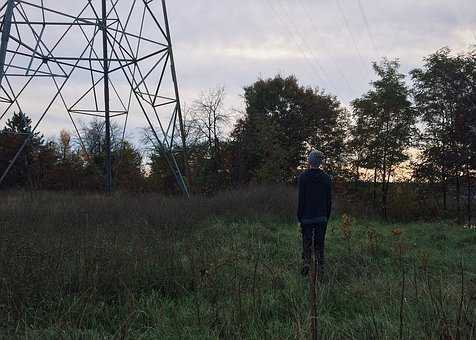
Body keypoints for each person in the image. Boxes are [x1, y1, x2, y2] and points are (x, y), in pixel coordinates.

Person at [297, 150, 332, 278]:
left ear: (309, 161)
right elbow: (329, 201)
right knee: (320, 243)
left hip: (306, 217)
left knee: (306, 242)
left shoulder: (303, 177)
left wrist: (299, 217)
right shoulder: (327, 178)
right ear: (320, 162)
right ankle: (320, 268)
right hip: (322, 217)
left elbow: (301, 200)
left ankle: (306, 262)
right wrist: (326, 216)